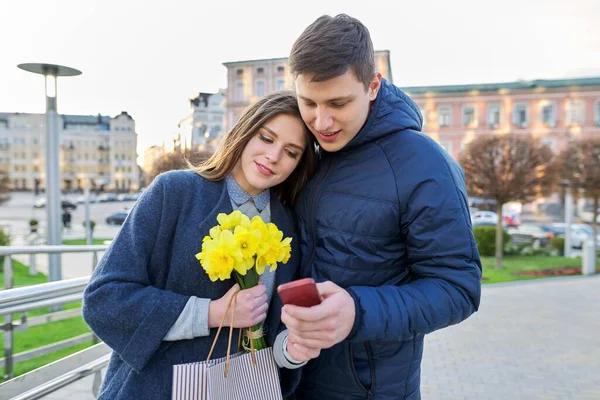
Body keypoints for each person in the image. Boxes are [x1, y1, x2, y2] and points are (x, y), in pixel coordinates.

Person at [279, 14, 483, 399]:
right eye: (308, 102)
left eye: (338, 103)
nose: (321, 121)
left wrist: (358, 312)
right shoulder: (300, 150)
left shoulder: (425, 166)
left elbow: (458, 288)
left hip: (369, 390)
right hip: (290, 379)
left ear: (373, 85)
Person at [82, 91, 317, 399]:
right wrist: (213, 313)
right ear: (244, 133)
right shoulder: (174, 193)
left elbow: (272, 330)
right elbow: (104, 298)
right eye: (266, 138)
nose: (274, 156)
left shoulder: (287, 224)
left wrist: (293, 350)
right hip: (157, 389)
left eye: (291, 152)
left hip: (246, 390)